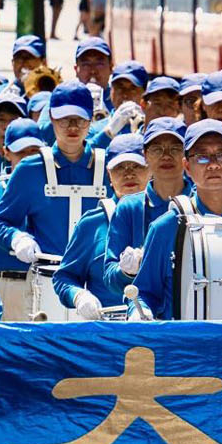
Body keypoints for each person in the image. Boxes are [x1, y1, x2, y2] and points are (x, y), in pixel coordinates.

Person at [0, 82, 105, 319]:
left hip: (99, 287)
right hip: (48, 286)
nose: (72, 126)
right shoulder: (30, 169)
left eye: (79, 119)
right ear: (51, 118)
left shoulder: (108, 167)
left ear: (90, 120)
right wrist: (17, 238)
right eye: (64, 119)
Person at [131, 120, 222, 319]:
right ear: (187, 166)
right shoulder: (167, 227)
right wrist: (141, 312)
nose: (213, 165)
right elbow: (144, 292)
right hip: (186, 336)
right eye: (202, 157)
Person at [53, 134, 149, 320]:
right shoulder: (92, 224)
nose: (129, 174)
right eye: (120, 167)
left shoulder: (168, 215)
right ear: (108, 174)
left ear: (150, 169)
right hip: (108, 327)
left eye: (137, 166)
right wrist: (79, 296)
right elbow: (64, 277)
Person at [102, 118, 187, 297]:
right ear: (146, 156)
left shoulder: (199, 201)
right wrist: (125, 271)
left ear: (187, 155)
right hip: (145, 311)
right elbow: (110, 279)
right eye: (157, 149)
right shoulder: (129, 207)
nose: (166, 156)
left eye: (175, 148)